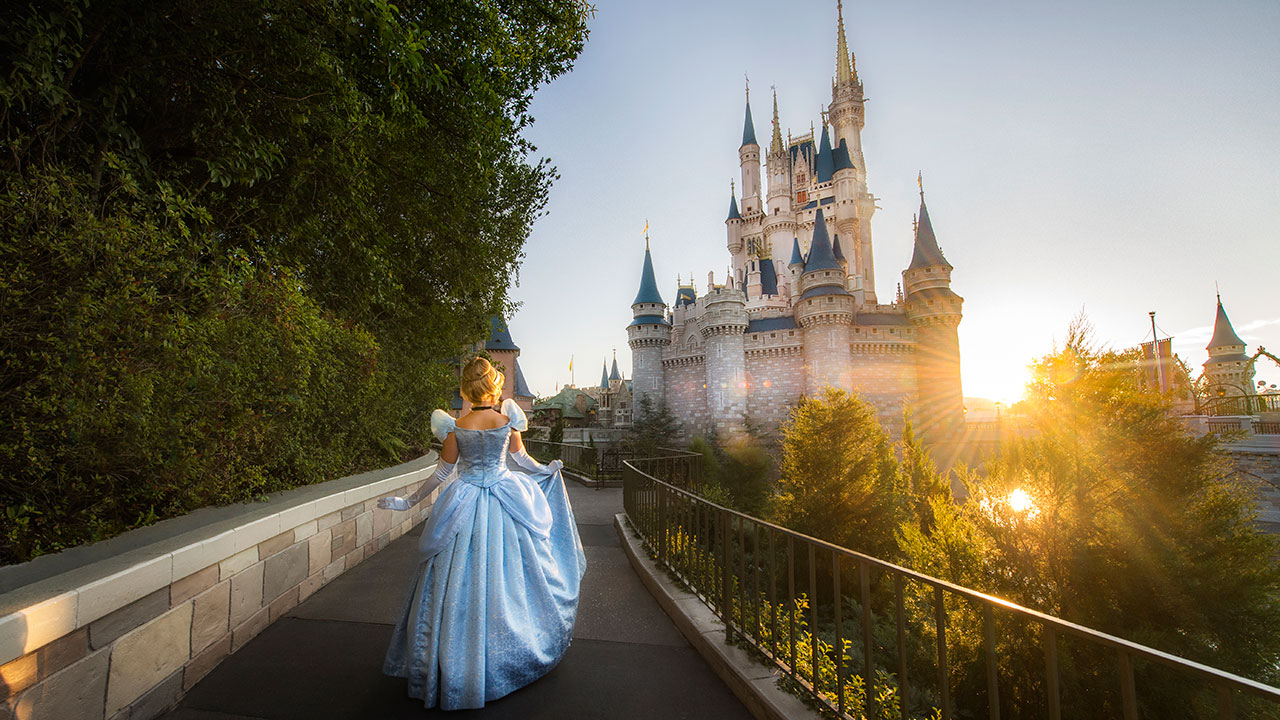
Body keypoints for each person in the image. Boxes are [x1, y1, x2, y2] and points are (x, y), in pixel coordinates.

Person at [378, 356, 586, 710]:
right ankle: (510, 654)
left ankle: (452, 661)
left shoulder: (457, 427)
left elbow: (443, 474)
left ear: (466, 390)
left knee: (454, 580)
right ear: (495, 387)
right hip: (507, 498)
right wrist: (547, 469)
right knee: (516, 579)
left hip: (465, 501)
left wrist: (408, 501)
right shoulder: (508, 421)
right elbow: (522, 463)